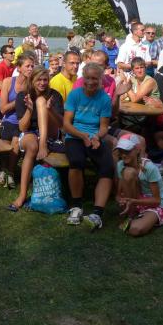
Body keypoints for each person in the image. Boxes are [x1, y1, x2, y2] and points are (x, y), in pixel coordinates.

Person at [62, 62, 114, 228]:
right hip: (74, 136)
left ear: (100, 80)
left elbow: (104, 127)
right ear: (82, 78)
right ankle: (76, 206)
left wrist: (97, 137)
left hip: (93, 137)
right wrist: (82, 135)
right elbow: (66, 124)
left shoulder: (104, 99)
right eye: (88, 78)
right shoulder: (75, 95)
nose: (90, 82)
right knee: (76, 161)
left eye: (94, 78)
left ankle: (97, 213)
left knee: (107, 166)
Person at [8, 66, 64, 211]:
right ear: (32, 80)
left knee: (41, 101)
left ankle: (43, 143)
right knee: (32, 147)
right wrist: (29, 110)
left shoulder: (54, 95)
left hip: (51, 132)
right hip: (30, 131)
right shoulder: (23, 96)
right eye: (39, 80)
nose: (42, 83)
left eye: (45, 80)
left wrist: (49, 110)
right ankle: (22, 195)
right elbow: (22, 127)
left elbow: (60, 124)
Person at [0, 52, 36, 188]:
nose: (30, 69)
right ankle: (3, 170)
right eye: (27, 66)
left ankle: (11, 172)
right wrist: (19, 100)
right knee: (5, 141)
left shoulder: (32, 86)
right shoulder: (8, 82)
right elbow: (3, 109)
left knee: (15, 141)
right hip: (8, 119)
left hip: (23, 121)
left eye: (32, 66)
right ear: (19, 68)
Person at [115, 136, 163, 236]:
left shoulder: (149, 167)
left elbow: (157, 200)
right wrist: (121, 200)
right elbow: (118, 194)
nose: (124, 155)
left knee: (135, 230)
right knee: (128, 172)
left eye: (127, 151)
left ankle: (134, 217)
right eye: (121, 151)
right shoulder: (120, 165)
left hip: (154, 204)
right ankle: (132, 214)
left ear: (137, 149)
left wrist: (133, 201)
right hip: (134, 199)